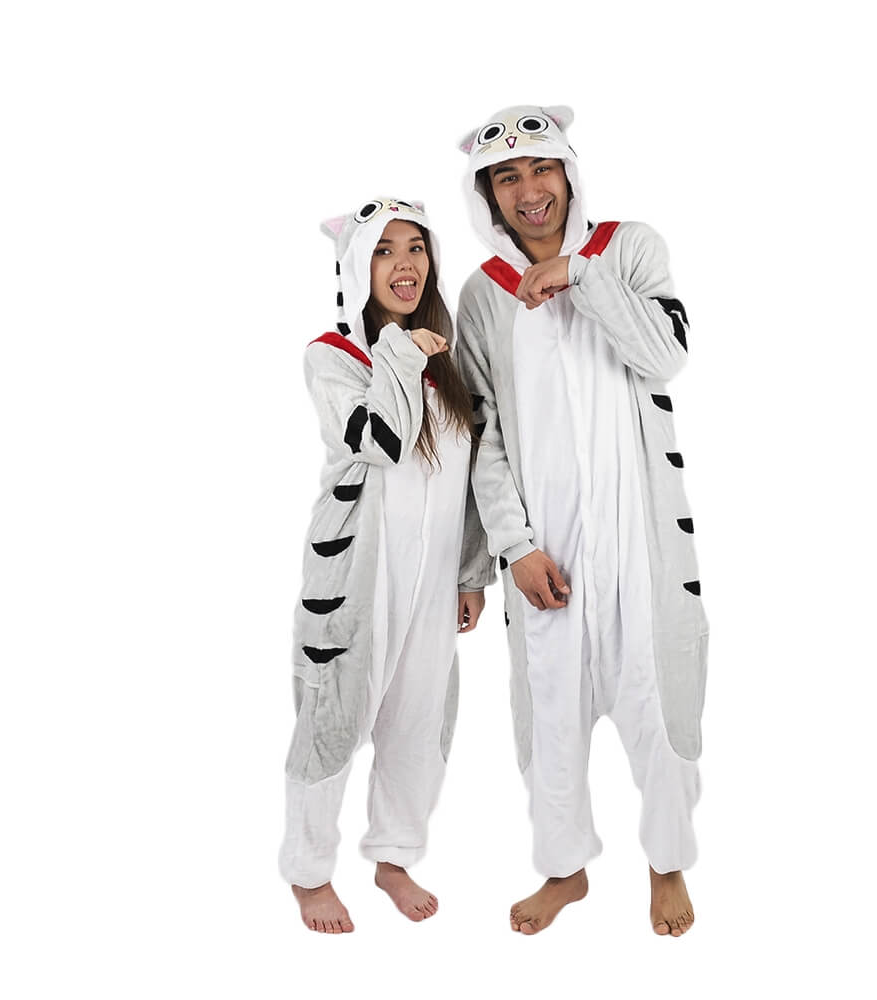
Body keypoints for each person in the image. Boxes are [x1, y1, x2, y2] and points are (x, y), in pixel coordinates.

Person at [455, 106, 709, 937]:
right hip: (547, 550)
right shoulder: (483, 296)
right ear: (488, 195)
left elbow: (664, 355)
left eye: (542, 168)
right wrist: (513, 549)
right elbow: (482, 434)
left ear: (568, 172)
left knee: (657, 702)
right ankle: (564, 870)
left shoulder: (628, 250)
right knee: (550, 716)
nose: (529, 190)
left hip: (638, 541)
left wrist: (580, 275)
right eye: (507, 177)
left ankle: (667, 864)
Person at [279, 197, 495, 933]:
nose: (405, 265)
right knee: (335, 716)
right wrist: (402, 352)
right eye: (383, 250)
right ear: (355, 266)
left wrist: (470, 573)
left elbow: (468, 474)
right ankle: (309, 872)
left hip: (431, 582)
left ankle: (394, 856)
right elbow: (381, 440)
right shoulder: (334, 358)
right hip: (360, 577)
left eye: (416, 248)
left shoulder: (447, 362)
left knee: (421, 719)